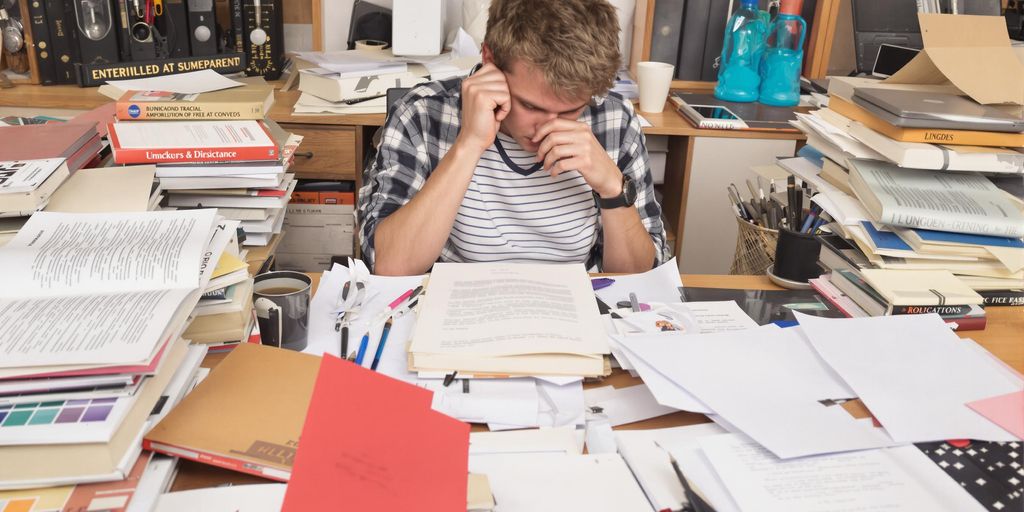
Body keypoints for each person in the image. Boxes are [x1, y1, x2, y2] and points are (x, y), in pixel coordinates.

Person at [358, 0, 669, 276]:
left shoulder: (613, 119)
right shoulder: (423, 113)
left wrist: (613, 188)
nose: (547, 128)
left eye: (571, 110)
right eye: (531, 105)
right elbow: (389, 266)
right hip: (455, 312)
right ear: (490, 59)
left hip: (577, 314)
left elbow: (642, 277)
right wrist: (468, 144)